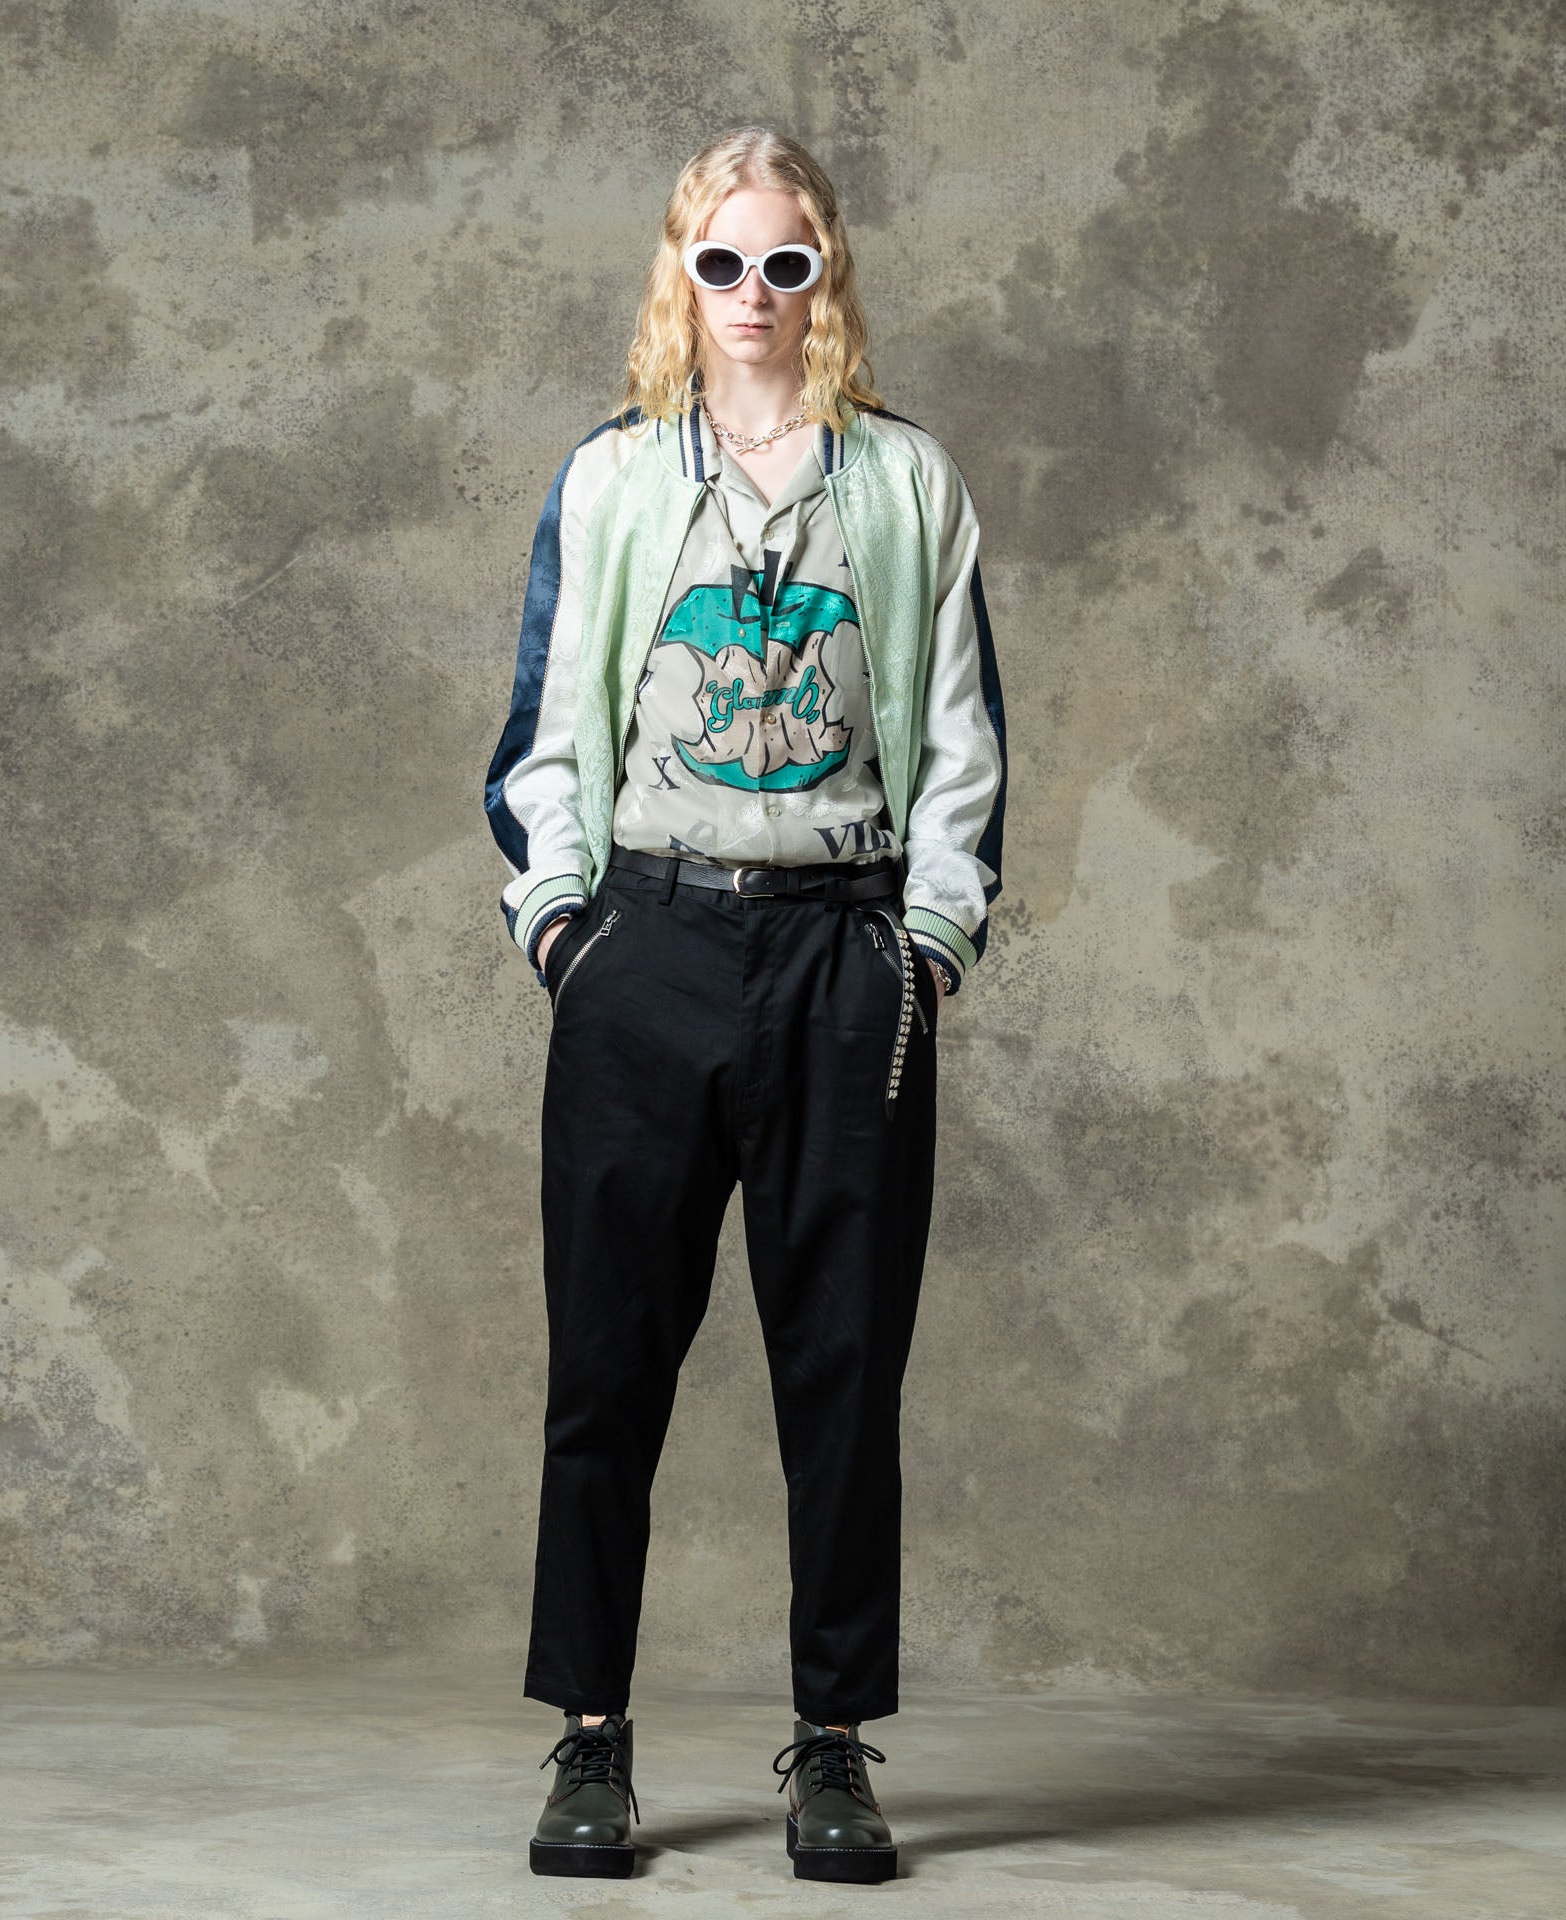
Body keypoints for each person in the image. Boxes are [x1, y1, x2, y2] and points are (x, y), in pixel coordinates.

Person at [483, 125, 1007, 1884]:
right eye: (724, 262)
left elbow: (962, 744)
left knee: (844, 1370)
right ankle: (591, 1734)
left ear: (827, 270)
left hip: (841, 959)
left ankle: (835, 1744)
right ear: (681, 274)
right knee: (605, 1365)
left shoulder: (908, 483)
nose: (756, 294)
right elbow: (547, 733)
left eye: (788, 262)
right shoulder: (617, 476)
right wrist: (568, 936)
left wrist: (925, 948)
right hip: (649, 946)